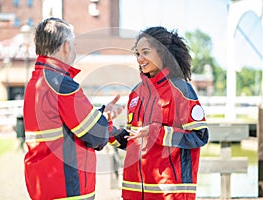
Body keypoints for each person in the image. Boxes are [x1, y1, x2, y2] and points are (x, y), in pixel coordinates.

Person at [23, 17, 123, 200]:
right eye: (75, 46)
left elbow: (68, 124)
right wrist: (108, 126)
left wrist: (103, 115)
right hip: (67, 187)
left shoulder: (36, 82)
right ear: (66, 46)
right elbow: (95, 134)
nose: (75, 51)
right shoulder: (61, 84)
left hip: (44, 184)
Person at [109, 26, 209, 200]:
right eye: (137, 54)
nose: (140, 59)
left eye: (145, 52)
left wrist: (157, 132)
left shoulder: (181, 90)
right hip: (133, 193)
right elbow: (132, 141)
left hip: (170, 193)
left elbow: (200, 136)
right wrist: (107, 130)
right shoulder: (136, 93)